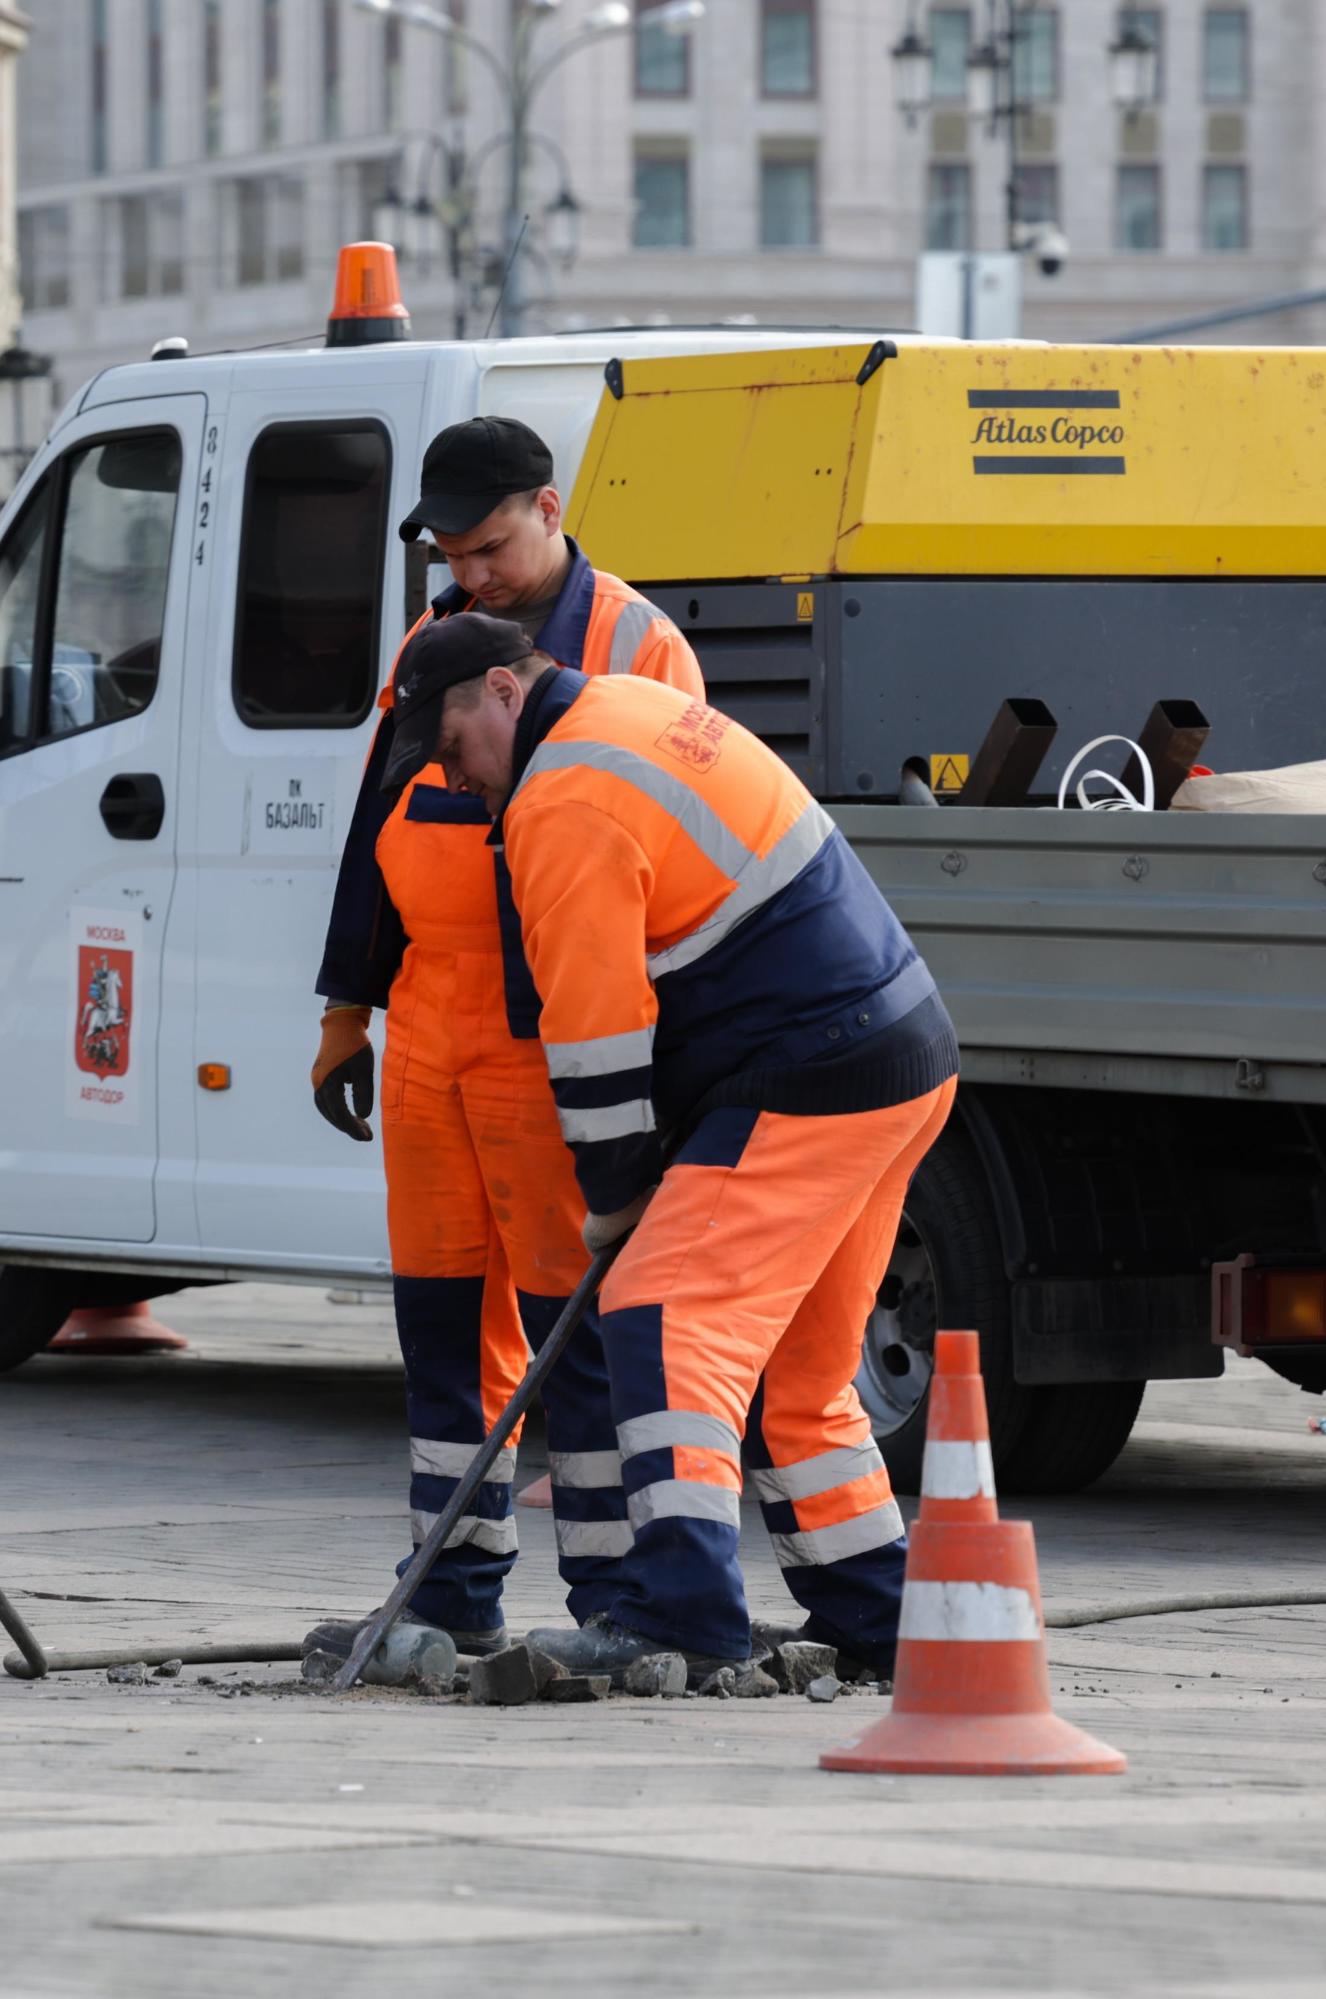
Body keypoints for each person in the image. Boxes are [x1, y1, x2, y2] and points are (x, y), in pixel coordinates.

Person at [390, 613, 949, 1683]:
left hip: (811, 1064)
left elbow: (598, 1039)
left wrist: (612, 1198)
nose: (452, 779)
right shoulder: (620, 714)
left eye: (452, 747)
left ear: (506, 693)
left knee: (659, 1309)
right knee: (802, 1373)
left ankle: (684, 1614)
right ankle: (883, 1625)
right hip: (898, 1050)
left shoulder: (562, 798)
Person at [305, 416, 704, 1667]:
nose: (470, 572)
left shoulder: (639, 647)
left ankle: (611, 1601)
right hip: (430, 1031)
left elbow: (671, 863)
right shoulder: (432, 642)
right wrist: (344, 1013)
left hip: (550, 1045)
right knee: (438, 1329)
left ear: (547, 506)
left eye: (487, 547)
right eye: (451, 550)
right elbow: (378, 824)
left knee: (572, 1332)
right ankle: (446, 1590)